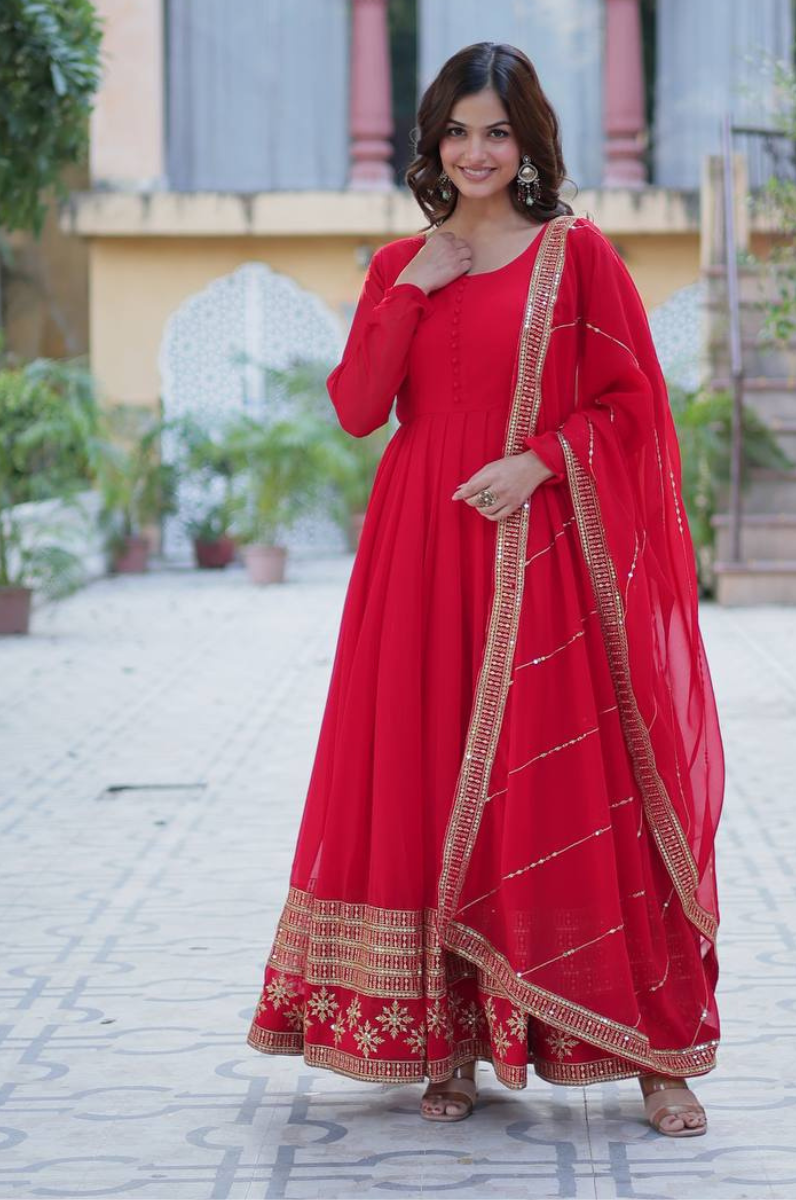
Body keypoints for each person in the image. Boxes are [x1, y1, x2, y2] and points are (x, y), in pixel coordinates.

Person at [246, 42, 724, 1138]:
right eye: (456, 131)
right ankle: (444, 1040)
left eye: (494, 132)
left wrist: (541, 459)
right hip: (417, 558)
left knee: (567, 785)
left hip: (538, 557)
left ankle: (653, 1052)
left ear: (527, 144)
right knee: (424, 779)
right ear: (431, 143)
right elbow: (360, 410)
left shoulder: (576, 254)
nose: (473, 151)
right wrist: (410, 289)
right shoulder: (397, 268)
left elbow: (631, 406)